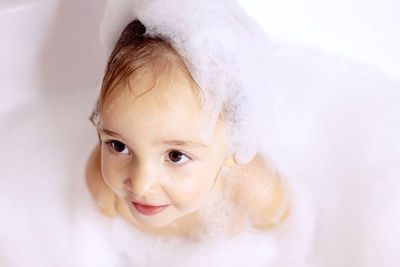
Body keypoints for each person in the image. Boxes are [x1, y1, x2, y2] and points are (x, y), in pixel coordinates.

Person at [85, 17, 289, 238]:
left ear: (234, 148)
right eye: (118, 145)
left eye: (175, 155)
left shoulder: (255, 192)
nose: (141, 185)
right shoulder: (101, 184)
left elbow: (286, 236)